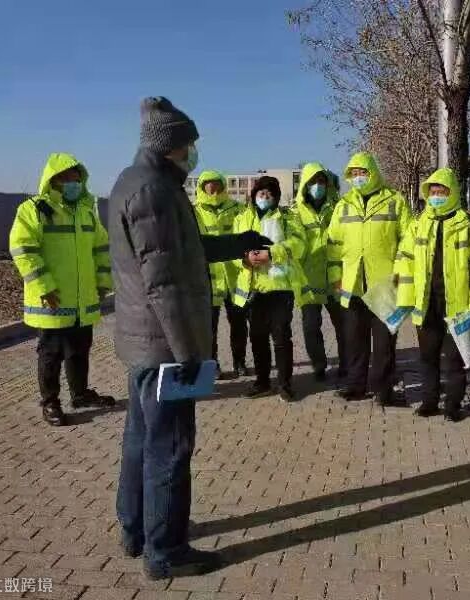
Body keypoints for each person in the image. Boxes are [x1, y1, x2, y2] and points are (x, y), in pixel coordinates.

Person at [109, 97, 271, 580]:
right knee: (171, 447)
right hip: (165, 348)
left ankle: (137, 529)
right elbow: (163, 282)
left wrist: (239, 243)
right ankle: (167, 551)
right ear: (172, 145)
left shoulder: (136, 181)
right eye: (190, 144)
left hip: (144, 342)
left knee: (141, 440)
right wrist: (188, 355)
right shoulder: (154, 191)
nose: (194, 153)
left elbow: (184, 249)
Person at [9, 153, 115, 426]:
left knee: (79, 350)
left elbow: (101, 249)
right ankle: (50, 402)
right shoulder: (34, 210)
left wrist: (104, 282)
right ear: (52, 180)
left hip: (82, 300)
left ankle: (80, 394)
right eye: (67, 177)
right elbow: (23, 249)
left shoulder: (86, 212)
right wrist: (44, 286)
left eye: (77, 178)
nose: (73, 183)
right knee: (51, 353)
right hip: (53, 300)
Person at [395, 168, 470, 421]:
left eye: (441, 192)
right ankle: (429, 401)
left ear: (452, 192)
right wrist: (406, 299)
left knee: (455, 359)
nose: (436, 196)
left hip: (458, 304)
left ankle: (453, 405)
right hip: (426, 302)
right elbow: (405, 259)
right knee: (427, 357)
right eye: (432, 192)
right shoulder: (418, 224)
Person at [327, 152, 412, 405]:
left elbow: (407, 239)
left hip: (384, 284)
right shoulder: (343, 204)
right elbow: (333, 245)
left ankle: (384, 390)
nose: (358, 177)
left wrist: (400, 272)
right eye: (354, 174)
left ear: (372, 172)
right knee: (354, 340)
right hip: (352, 283)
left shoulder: (394, 200)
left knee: (384, 343)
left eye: (362, 172)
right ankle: (355, 386)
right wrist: (336, 276)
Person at [232, 176, 306, 402]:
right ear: (254, 195)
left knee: (281, 337)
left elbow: (299, 245)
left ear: (276, 197)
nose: (264, 197)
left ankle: (285, 384)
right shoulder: (242, 218)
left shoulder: (287, 217)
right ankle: (262, 382)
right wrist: (244, 260)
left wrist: (272, 253)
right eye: (261, 193)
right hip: (253, 289)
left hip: (279, 288)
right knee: (257, 338)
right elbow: (233, 250)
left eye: (269, 193)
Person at [292, 162, 346, 381]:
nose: (318, 185)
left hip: (336, 277)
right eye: (313, 181)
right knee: (311, 326)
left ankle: (346, 363)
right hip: (308, 278)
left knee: (343, 324)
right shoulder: (296, 213)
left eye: (321, 181)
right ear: (305, 184)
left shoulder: (337, 208)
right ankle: (319, 364)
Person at [193, 170, 249, 378]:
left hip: (235, 278)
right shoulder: (194, 211)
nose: (213, 188)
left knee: (239, 324)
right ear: (202, 188)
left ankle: (239, 362)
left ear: (223, 186)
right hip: (207, 279)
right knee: (209, 328)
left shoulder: (237, 208)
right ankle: (213, 365)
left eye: (217, 184)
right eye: (208, 185)